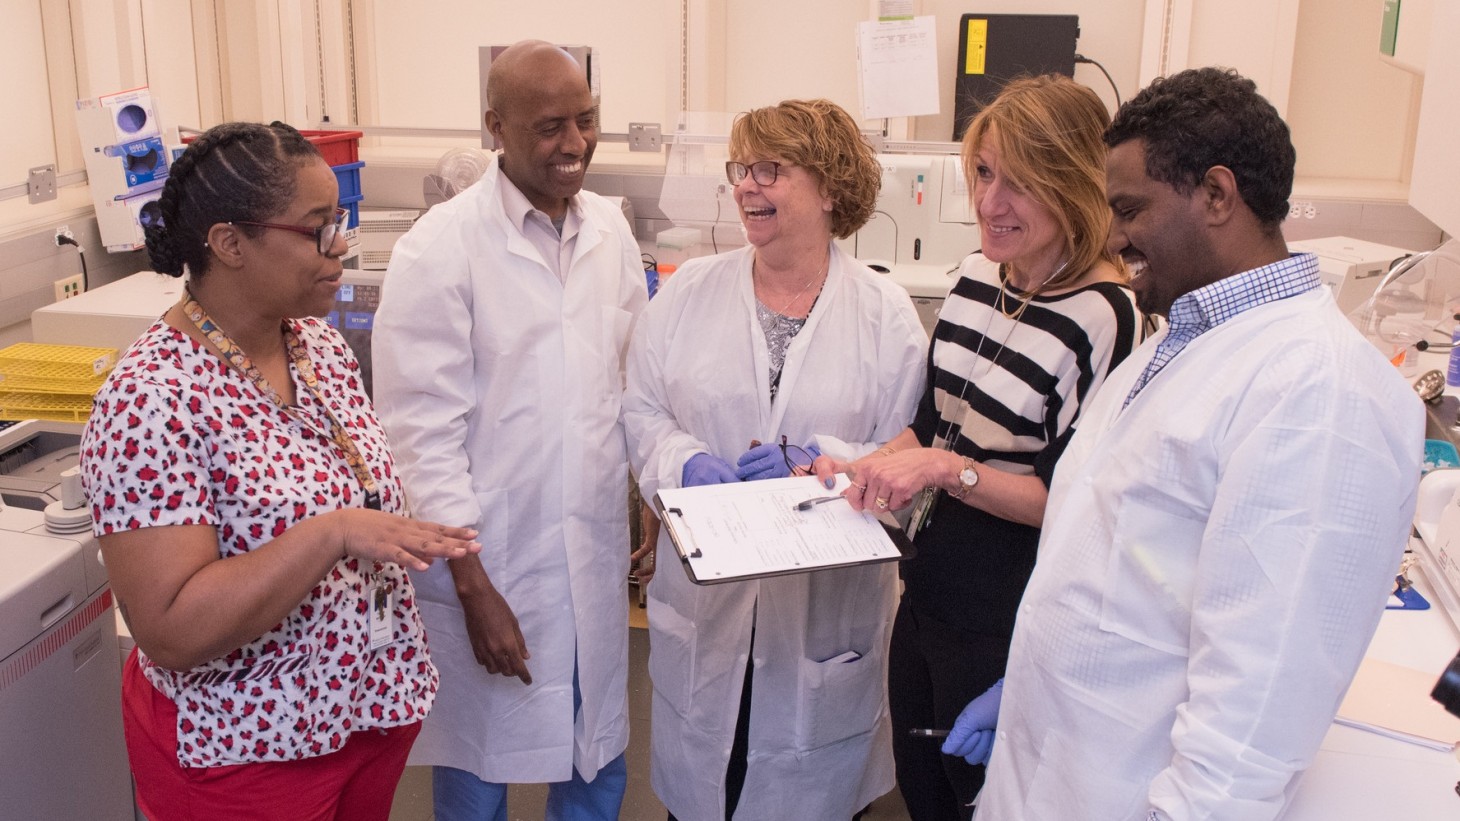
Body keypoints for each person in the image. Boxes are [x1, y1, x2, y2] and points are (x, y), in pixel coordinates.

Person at [952, 67, 1423, 820]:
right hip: (1058, 767)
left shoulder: (1317, 392)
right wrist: (1036, 681)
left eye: (1130, 209)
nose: (1110, 236)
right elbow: (1123, 562)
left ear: (1216, 194)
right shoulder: (1180, 343)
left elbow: (1254, 715)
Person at [79, 121, 481, 821]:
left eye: (341, 221)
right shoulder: (151, 398)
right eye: (318, 228)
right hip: (245, 749)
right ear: (230, 243)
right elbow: (170, 628)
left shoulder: (316, 347)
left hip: (363, 714)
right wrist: (333, 534)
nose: (341, 245)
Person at [812, 75, 1142, 820]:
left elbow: (1068, 502)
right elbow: (929, 428)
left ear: (1074, 186)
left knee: (984, 802)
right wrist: (857, 466)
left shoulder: (1105, 317)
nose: (992, 203)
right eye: (985, 173)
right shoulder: (974, 279)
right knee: (922, 790)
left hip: (1008, 619)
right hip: (926, 592)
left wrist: (948, 472)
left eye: (1021, 184)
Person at [624, 98, 927, 820]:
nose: (747, 186)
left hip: (826, 620)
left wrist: (830, 460)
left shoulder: (886, 316)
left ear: (828, 188)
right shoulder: (689, 291)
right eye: (741, 169)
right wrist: (686, 463)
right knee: (706, 792)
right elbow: (641, 408)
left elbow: (908, 461)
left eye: (771, 169)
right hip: (706, 608)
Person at [371, 40, 647, 821]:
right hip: (489, 563)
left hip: (588, 554)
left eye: (586, 121)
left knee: (596, 758)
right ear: (496, 127)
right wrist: (472, 584)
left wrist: (654, 509)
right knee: (478, 768)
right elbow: (419, 433)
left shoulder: (610, 234)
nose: (575, 144)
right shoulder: (440, 248)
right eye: (550, 125)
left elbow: (636, 385)